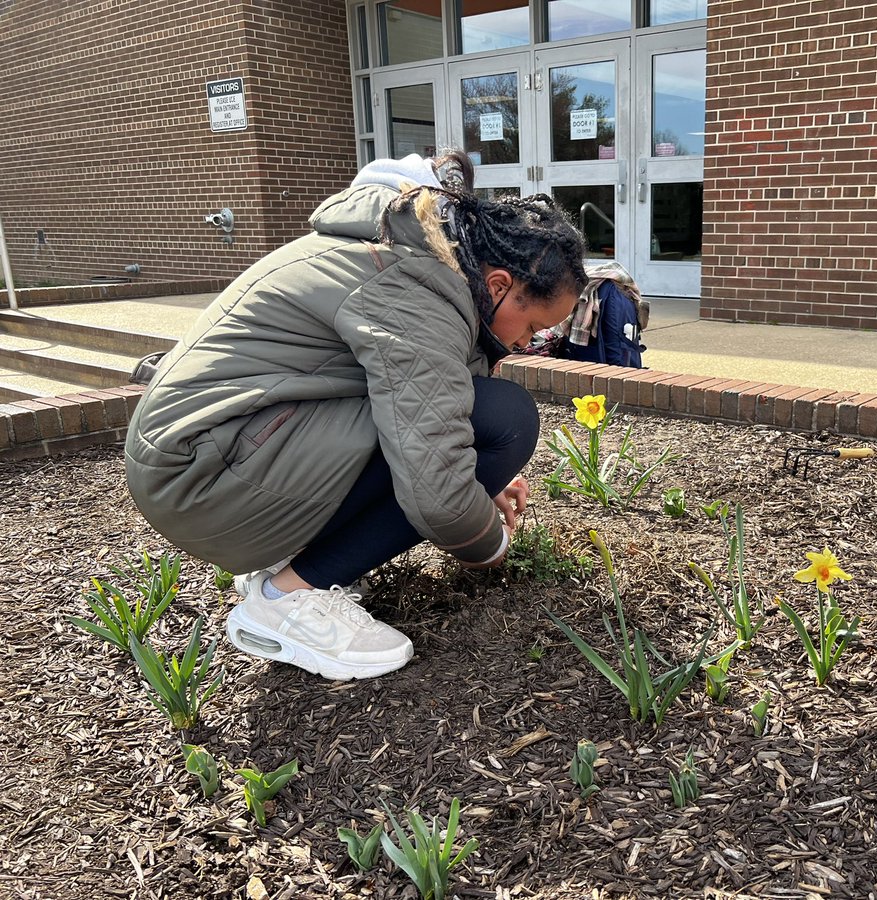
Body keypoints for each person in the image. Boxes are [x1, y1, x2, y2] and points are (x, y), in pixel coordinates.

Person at [124, 151, 587, 681]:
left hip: (207, 459)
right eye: (533, 327)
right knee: (508, 417)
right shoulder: (411, 289)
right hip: (204, 479)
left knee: (470, 422)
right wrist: (489, 545)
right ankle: (285, 599)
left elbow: (433, 406)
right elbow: (434, 478)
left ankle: (289, 566)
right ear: (500, 284)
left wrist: (480, 477)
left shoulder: (403, 258)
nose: (528, 344)